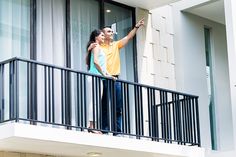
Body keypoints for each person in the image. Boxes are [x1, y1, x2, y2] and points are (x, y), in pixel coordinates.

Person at [89, 18, 145, 134]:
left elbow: (128, 37)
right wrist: (89, 48)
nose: (112, 32)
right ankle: (104, 130)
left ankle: (117, 131)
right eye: (109, 31)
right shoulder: (98, 46)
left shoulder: (115, 45)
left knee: (118, 106)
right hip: (103, 78)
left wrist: (136, 27)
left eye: (112, 31)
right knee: (104, 105)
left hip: (115, 78)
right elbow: (92, 57)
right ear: (102, 34)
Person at [85, 29, 111, 134]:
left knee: (96, 102)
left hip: (98, 77)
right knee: (94, 102)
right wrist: (104, 74)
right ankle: (91, 126)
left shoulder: (96, 47)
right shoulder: (95, 46)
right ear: (96, 37)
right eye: (102, 35)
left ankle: (92, 125)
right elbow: (95, 62)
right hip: (95, 76)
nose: (104, 37)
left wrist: (109, 75)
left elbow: (100, 64)